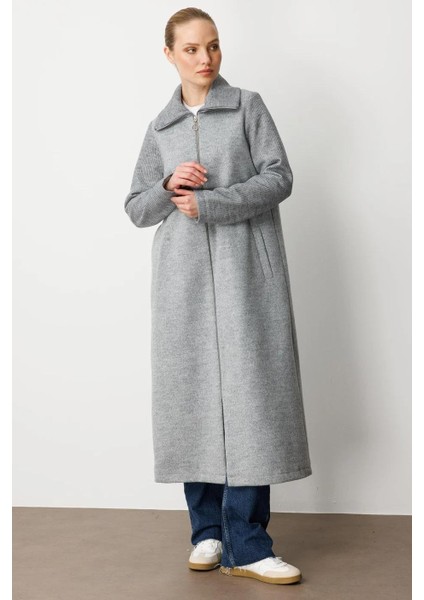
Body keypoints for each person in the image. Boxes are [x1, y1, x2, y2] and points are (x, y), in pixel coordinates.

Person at [124, 7, 312, 586]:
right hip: (181, 282)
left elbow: (278, 177)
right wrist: (167, 185)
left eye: (212, 45)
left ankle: (249, 544)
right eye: (191, 49)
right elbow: (136, 208)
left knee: (252, 402)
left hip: (246, 274)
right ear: (169, 55)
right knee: (193, 401)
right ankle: (206, 533)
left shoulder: (248, 106)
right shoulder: (161, 128)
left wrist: (212, 203)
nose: (204, 58)